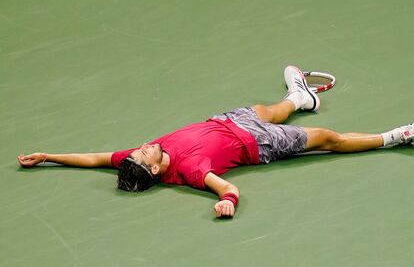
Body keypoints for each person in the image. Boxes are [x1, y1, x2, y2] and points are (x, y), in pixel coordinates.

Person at [17, 66, 413, 218]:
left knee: (271, 106)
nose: (143, 144)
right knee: (328, 138)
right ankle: (395, 137)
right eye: (145, 152)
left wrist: (49, 155)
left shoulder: (134, 160)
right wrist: (228, 201)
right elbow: (226, 186)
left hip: (230, 120)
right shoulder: (190, 171)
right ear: (155, 169)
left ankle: (301, 97)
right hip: (262, 143)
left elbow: (95, 158)